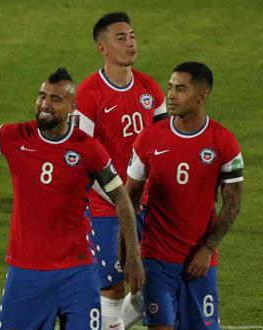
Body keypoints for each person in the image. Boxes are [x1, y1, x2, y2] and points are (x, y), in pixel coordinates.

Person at [0, 68, 144, 329]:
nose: (44, 105)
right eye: (42, 96)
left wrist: (132, 255)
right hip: (27, 269)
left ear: (73, 107)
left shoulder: (88, 148)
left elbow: (121, 197)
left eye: (55, 99)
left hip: (78, 269)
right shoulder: (12, 136)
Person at [125, 62, 243, 330]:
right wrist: (130, 252)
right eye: (170, 88)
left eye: (181, 89)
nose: (171, 95)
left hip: (199, 263)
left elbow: (233, 203)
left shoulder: (223, 141)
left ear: (201, 96)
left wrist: (207, 249)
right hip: (155, 259)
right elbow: (128, 199)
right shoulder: (149, 138)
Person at [75, 12, 168, 329]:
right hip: (106, 205)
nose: (130, 42)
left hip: (147, 202)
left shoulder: (150, 88)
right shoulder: (88, 95)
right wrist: (117, 197)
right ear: (102, 47)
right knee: (112, 284)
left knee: (152, 281)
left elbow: (165, 142)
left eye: (132, 36)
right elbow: (81, 156)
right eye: (121, 38)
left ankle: (121, 319)